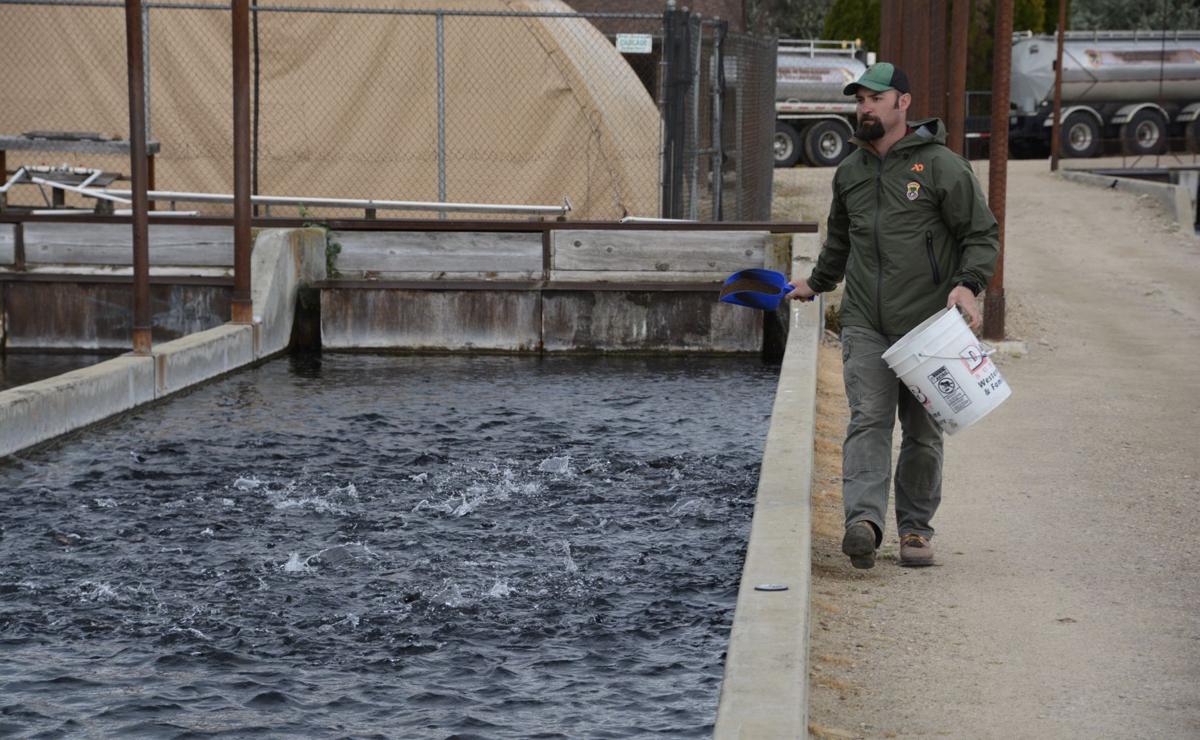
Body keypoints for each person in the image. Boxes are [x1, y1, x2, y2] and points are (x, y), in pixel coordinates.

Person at [787, 62, 999, 569]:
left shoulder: (942, 166)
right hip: (864, 319)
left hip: (929, 325)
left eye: (875, 99)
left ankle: (916, 531)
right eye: (860, 99)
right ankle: (863, 524)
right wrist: (815, 284)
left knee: (923, 432)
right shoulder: (850, 172)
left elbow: (980, 234)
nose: (864, 108)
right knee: (868, 421)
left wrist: (968, 288)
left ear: (902, 103)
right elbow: (840, 241)